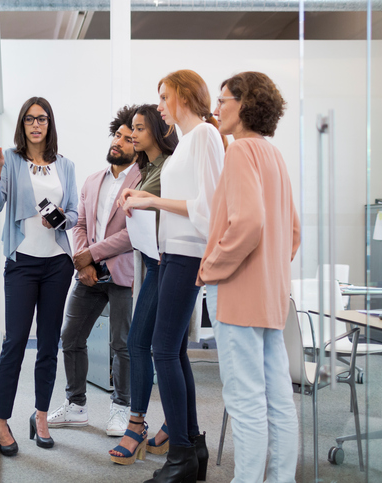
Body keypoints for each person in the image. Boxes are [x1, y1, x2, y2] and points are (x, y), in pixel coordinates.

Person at [120, 69, 226, 483]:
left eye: (164, 97)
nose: (160, 105)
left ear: (183, 95)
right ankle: (192, 447)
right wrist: (152, 201)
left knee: (163, 350)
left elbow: (210, 206)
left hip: (187, 253)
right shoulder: (189, 142)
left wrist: (153, 199)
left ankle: (180, 456)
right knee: (173, 352)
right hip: (173, 253)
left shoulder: (204, 137)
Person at [198, 72, 300, 483]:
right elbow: (292, 233)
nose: (217, 109)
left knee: (245, 403)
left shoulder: (240, 153)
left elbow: (248, 224)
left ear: (246, 104)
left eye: (224, 100)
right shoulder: (273, 154)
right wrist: (268, 267)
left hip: (239, 295)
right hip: (271, 297)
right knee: (278, 401)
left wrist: (211, 268)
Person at [0, 97, 78, 456]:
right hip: (22, 262)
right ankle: (0, 419)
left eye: (42, 119)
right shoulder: (10, 159)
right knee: (14, 344)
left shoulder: (66, 166)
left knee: (48, 345)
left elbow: (74, 213)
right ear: (22, 125)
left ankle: (41, 416)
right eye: (29, 119)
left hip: (58, 263)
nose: (36, 125)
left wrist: (61, 217)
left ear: (49, 124)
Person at [47, 105, 141, 437]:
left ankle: (121, 408)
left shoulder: (143, 181)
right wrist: (84, 260)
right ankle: (76, 406)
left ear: (138, 146)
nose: (119, 142)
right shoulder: (92, 180)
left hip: (123, 276)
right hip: (88, 277)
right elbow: (82, 224)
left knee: (122, 345)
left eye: (129, 139)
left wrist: (89, 255)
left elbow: (133, 235)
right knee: (71, 337)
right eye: (118, 135)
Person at [108, 104, 178, 464]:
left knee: (140, 343)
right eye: (129, 129)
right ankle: (175, 424)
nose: (132, 134)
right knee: (169, 350)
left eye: (137, 128)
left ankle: (137, 424)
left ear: (155, 130)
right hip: (152, 261)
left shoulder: (170, 165)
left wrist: (140, 199)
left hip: (165, 264)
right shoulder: (147, 167)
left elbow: (175, 208)